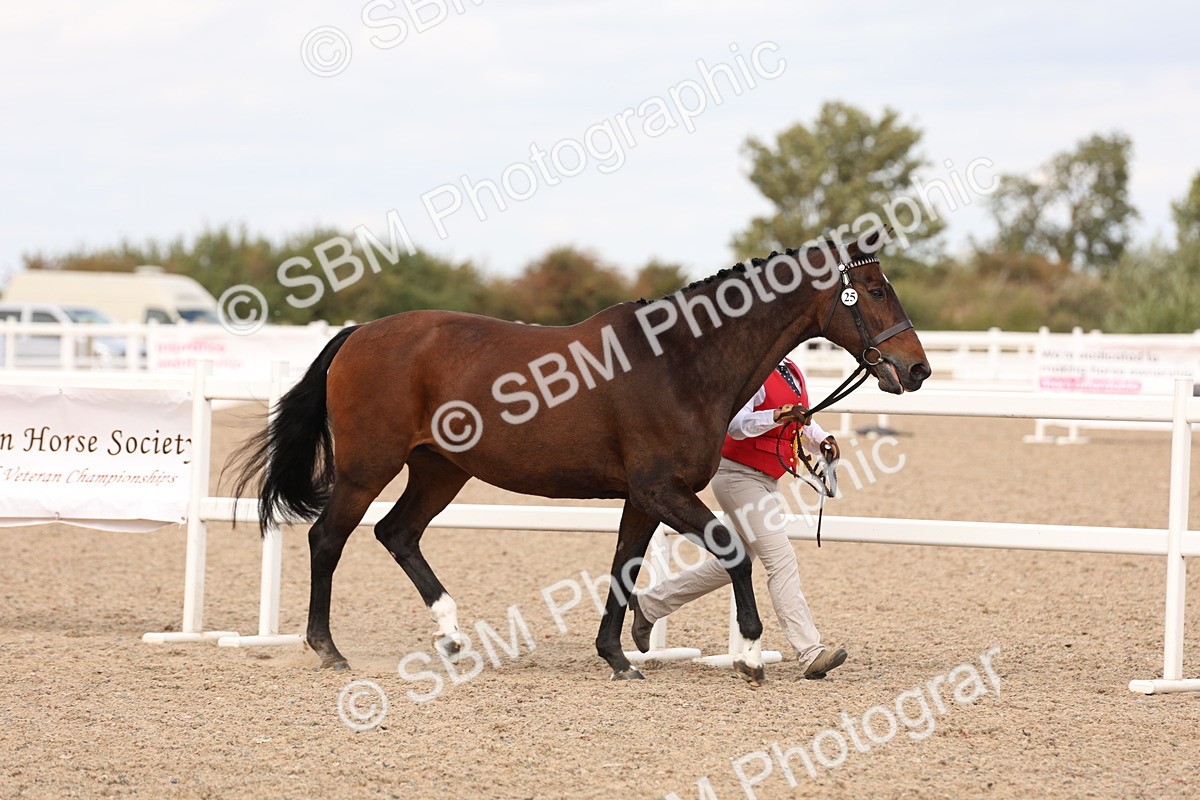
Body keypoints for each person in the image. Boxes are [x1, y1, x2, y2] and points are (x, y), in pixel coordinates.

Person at [629, 357, 848, 679]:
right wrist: (776, 415)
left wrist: (822, 440)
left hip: (766, 480)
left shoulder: (791, 369)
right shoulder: (753, 369)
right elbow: (736, 424)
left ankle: (650, 604)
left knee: (732, 560)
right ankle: (810, 652)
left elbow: (805, 421)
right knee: (781, 559)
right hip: (738, 477)